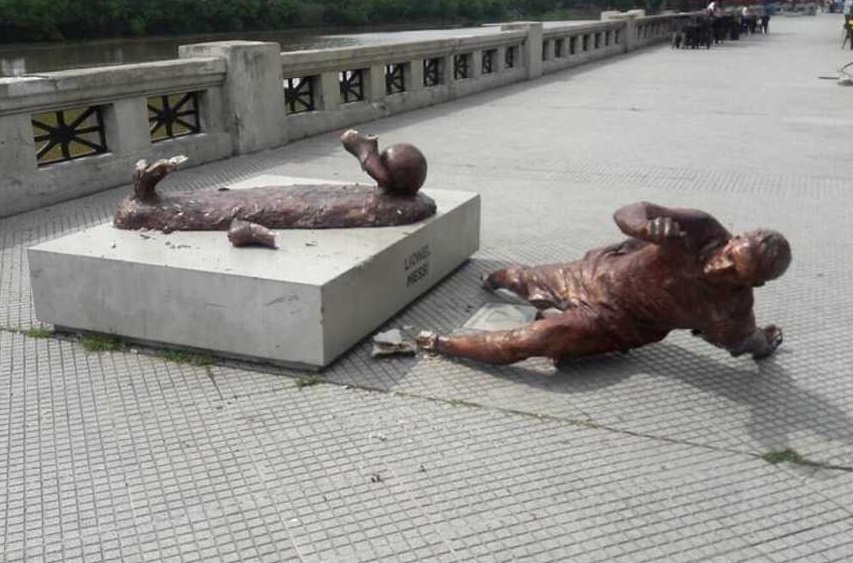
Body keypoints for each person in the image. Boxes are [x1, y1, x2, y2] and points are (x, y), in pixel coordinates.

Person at [417, 202, 791, 366]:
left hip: (615, 323)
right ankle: (493, 280)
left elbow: (744, 341)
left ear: (755, 283)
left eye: (735, 271)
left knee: (535, 340)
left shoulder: (731, 308)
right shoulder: (702, 229)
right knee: (515, 277)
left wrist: (765, 342)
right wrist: (644, 228)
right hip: (593, 274)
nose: (720, 266)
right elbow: (630, 210)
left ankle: (443, 344)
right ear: (734, 238)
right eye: (729, 254)